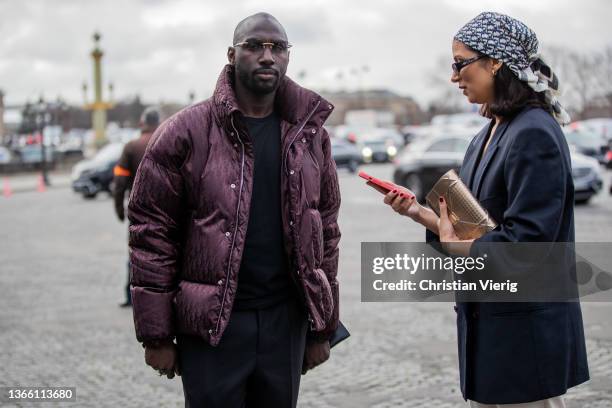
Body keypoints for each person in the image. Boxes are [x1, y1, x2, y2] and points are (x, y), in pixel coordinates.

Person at [127, 12, 341, 408]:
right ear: (231, 54)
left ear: (288, 57)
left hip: (284, 323)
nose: (267, 56)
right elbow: (151, 234)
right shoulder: (184, 132)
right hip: (212, 327)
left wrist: (322, 327)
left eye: (277, 48)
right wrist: (156, 335)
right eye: (254, 46)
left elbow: (325, 230)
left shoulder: (309, 134)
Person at [382, 12, 589, 408]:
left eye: (460, 63)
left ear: (495, 61)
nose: (454, 76)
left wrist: (462, 248)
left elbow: (528, 246)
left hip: (523, 339)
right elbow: (470, 227)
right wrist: (419, 214)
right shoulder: (486, 133)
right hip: (488, 330)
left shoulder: (534, 131)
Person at [112, 107, 160, 307]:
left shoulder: (131, 147)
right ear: (158, 123)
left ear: (142, 123)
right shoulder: (168, 140)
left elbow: (119, 183)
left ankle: (132, 295)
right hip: (168, 209)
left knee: (135, 252)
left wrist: (119, 210)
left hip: (139, 210)